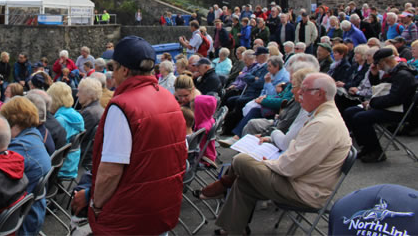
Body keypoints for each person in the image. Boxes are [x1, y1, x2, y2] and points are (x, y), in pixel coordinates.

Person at [213, 73, 352, 235]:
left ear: (320, 94)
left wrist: (268, 163)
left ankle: (221, 185)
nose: (299, 94)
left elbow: (292, 167)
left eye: (304, 90)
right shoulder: (322, 117)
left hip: (304, 190)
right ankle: (232, 229)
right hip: (301, 182)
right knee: (244, 180)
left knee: (241, 160)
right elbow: (296, 154)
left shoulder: (323, 123)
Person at [88, 36, 187, 235]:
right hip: (162, 206)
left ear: (123, 70)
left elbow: (111, 171)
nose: (112, 74)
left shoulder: (123, 106)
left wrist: (96, 205)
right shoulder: (168, 97)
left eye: (113, 67)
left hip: (130, 214)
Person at [343, 48, 417, 163]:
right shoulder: (394, 72)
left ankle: (375, 151)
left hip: (399, 111)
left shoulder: (404, 75)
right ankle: (367, 148)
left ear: (385, 62)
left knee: (361, 118)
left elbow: (394, 99)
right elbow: (381, 90)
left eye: (378, 64)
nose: (379, 67)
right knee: (350, 112)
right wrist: (374, 76)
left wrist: (372, 103)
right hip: (391, 107)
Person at [0, 97, 52, 236]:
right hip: (33, 214)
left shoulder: (20, 148)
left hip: (19, 222)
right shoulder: (34, 137)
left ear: (10, 120)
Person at [48, 82, 84, 178]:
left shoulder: (60, 121)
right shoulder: (76, 115)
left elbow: (52, 148)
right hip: (72, 163)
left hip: (60, 167)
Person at [77, 77, 104, 170]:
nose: (77, 95)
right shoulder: (99, 108)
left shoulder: (89, 113)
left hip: (84, 157)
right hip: (91, 154)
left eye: (79, 92)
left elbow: (77, 139)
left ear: (88, 94)